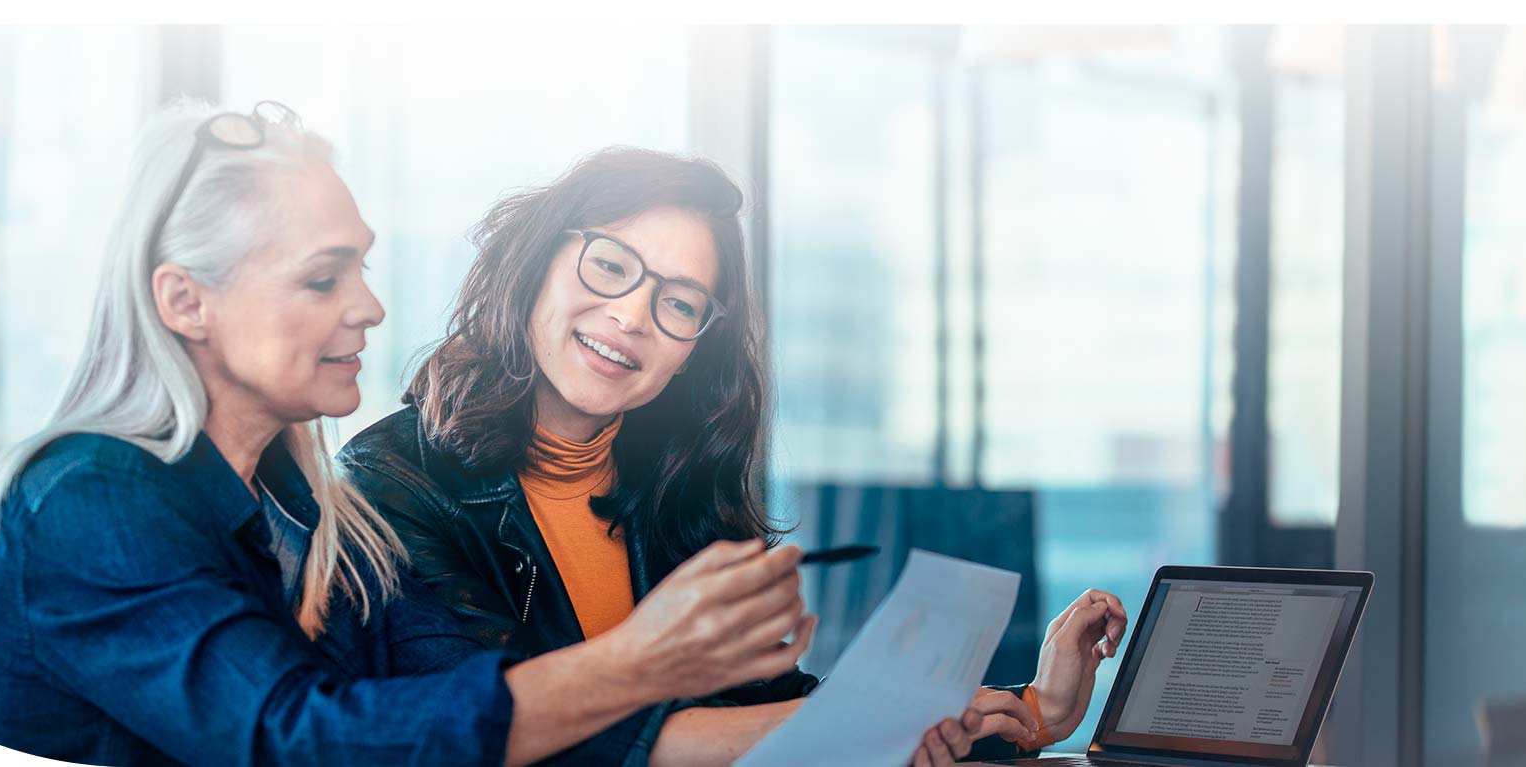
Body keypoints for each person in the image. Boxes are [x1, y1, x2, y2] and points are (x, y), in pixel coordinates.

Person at [0, 102, 987, 766]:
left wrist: (925, 715)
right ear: (185, 301)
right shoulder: (96, 499)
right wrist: (639, 660)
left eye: (361, 266)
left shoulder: (296, 502)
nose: (370, 308)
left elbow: (449, 724)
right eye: (323, 277)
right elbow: (303, 740)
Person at [338, 146, 1130, 765]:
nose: (630, 316)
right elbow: (510, 732)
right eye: (610, 265)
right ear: (537, 262)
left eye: (678, 301)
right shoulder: (391, 483)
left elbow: (768, 709)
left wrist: (1029, 709)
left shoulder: (677, 482)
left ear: (694, 345)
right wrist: (855, 721)